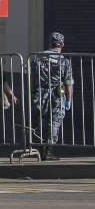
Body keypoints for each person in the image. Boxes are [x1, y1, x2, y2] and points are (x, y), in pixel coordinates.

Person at [32, 32, 75, 161]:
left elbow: (33, 77)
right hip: (56, 94)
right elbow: (68, 83)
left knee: (42, 122)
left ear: (50, 43)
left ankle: (40, 150)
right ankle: (48, 151)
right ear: (61, 45)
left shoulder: (38, 57)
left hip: (40, 93)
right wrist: (69, 100)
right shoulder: (64, 61)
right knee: (54, 122)